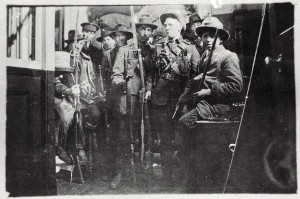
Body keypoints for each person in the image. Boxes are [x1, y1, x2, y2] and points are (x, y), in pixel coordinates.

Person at [175, 17, 243, 191]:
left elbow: (236, 85)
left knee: (184, 123)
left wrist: (210, 91)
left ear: (220, 38)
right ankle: (193, 176)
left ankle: (193, 173)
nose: (207, 40)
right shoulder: (205, 56)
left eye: (212, 36)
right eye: (204, 36)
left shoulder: (228, 57)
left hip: (218, 106)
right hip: (203, 104)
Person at [151, 10, 201, 187]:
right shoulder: (157, 47)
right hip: (162, 99)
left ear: (180, 26)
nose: (166, 27)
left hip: (182, 99)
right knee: (164, 140)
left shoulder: (190, 48)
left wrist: (189, 98)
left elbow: (197, 75)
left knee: (183, 140)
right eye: (165, 25)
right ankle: (166, 180)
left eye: (170, 24)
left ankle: (184, 178)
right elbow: (152, 74)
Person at [110, 14, 157, 189]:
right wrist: (122, 82)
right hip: (127, 99)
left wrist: (149, 88)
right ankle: (120, 173)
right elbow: (115, 74)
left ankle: (140, 170)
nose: (147, 32)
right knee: (124, 137)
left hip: (143, 101)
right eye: (144, 29)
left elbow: (151, 74)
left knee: (141, 137)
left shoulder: (152, 51)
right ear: (137, 30)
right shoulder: (124, 50)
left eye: (150, 29)